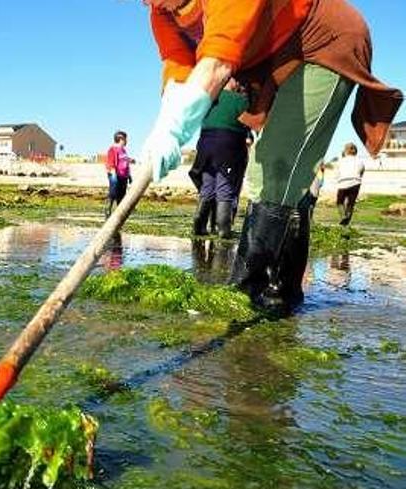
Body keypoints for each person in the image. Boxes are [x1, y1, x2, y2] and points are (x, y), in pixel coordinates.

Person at [138, 0, 402, 312]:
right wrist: (165, 125)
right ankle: (283, 290)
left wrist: (175, 128)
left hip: (322, 42)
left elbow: (217, 62)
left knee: (276, 166)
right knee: (285, 172)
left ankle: (246, 293)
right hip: (281, 58)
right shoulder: (162, 13)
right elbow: (178, 69)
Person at [189, 79, 251, 238]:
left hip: (205, 145)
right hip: (228, 146)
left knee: (208, 185)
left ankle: (199, 226)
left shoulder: (210, 98)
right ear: (234, 82)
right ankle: (223, 229)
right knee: (225, 187)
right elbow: (252, 125)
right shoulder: (241, 101)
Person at [104, 131, 134, 216]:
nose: (126, 141)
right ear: (121, 139)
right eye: (125, 139)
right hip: (115, 175)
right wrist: (114, 175)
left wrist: (129, 175)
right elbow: (111, 162)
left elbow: (125, 163)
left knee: (122, 195)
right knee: (113, 193)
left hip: (123, 176)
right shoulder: (112, 149)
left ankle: (119, 213)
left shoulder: (123, 150)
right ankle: (108, 210)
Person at [335, 143, 365, 226]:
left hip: (343, 183)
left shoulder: (341, 160)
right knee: (350, 204)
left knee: (340, 202)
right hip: (356, 183)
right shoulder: (360, 161)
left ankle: (343, 217)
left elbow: (337, 174)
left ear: (345, 151)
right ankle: (346, 222)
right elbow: (361, 172)